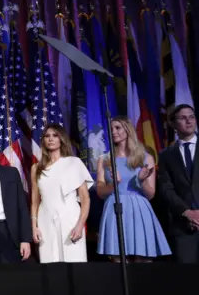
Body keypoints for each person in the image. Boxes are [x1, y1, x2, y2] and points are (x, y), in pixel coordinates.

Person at [96, 117, 171, 261]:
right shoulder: (104, 159)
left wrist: (141, 181)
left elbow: (150, 194)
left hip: (139, 210)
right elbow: (100, 192)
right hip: (114, 208)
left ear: (128, 130)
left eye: (118, 128)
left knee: (142, 259)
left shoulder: (145, 158)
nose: (113, 132)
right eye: (111, 129)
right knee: (118, 260)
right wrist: (114, 185)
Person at [30, 124, 92, 263]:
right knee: (50, 265)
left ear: (62, 139)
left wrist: (80, 224)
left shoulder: (74, 163)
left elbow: (85, 199)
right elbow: (35, 201)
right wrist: (34, 227)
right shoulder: (36, 168)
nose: (50, 139)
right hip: (45, 219)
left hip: (70, 219)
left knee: (74, 262)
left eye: (55, 135)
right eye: (47, 136)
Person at [158, 104, 199, 263]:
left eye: (192, 117)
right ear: (174, 125)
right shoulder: (166, 155)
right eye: (183, 118)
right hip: (183, 226)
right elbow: (166, 188)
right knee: (187, 280)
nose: (188, 121)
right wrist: (187, 212)